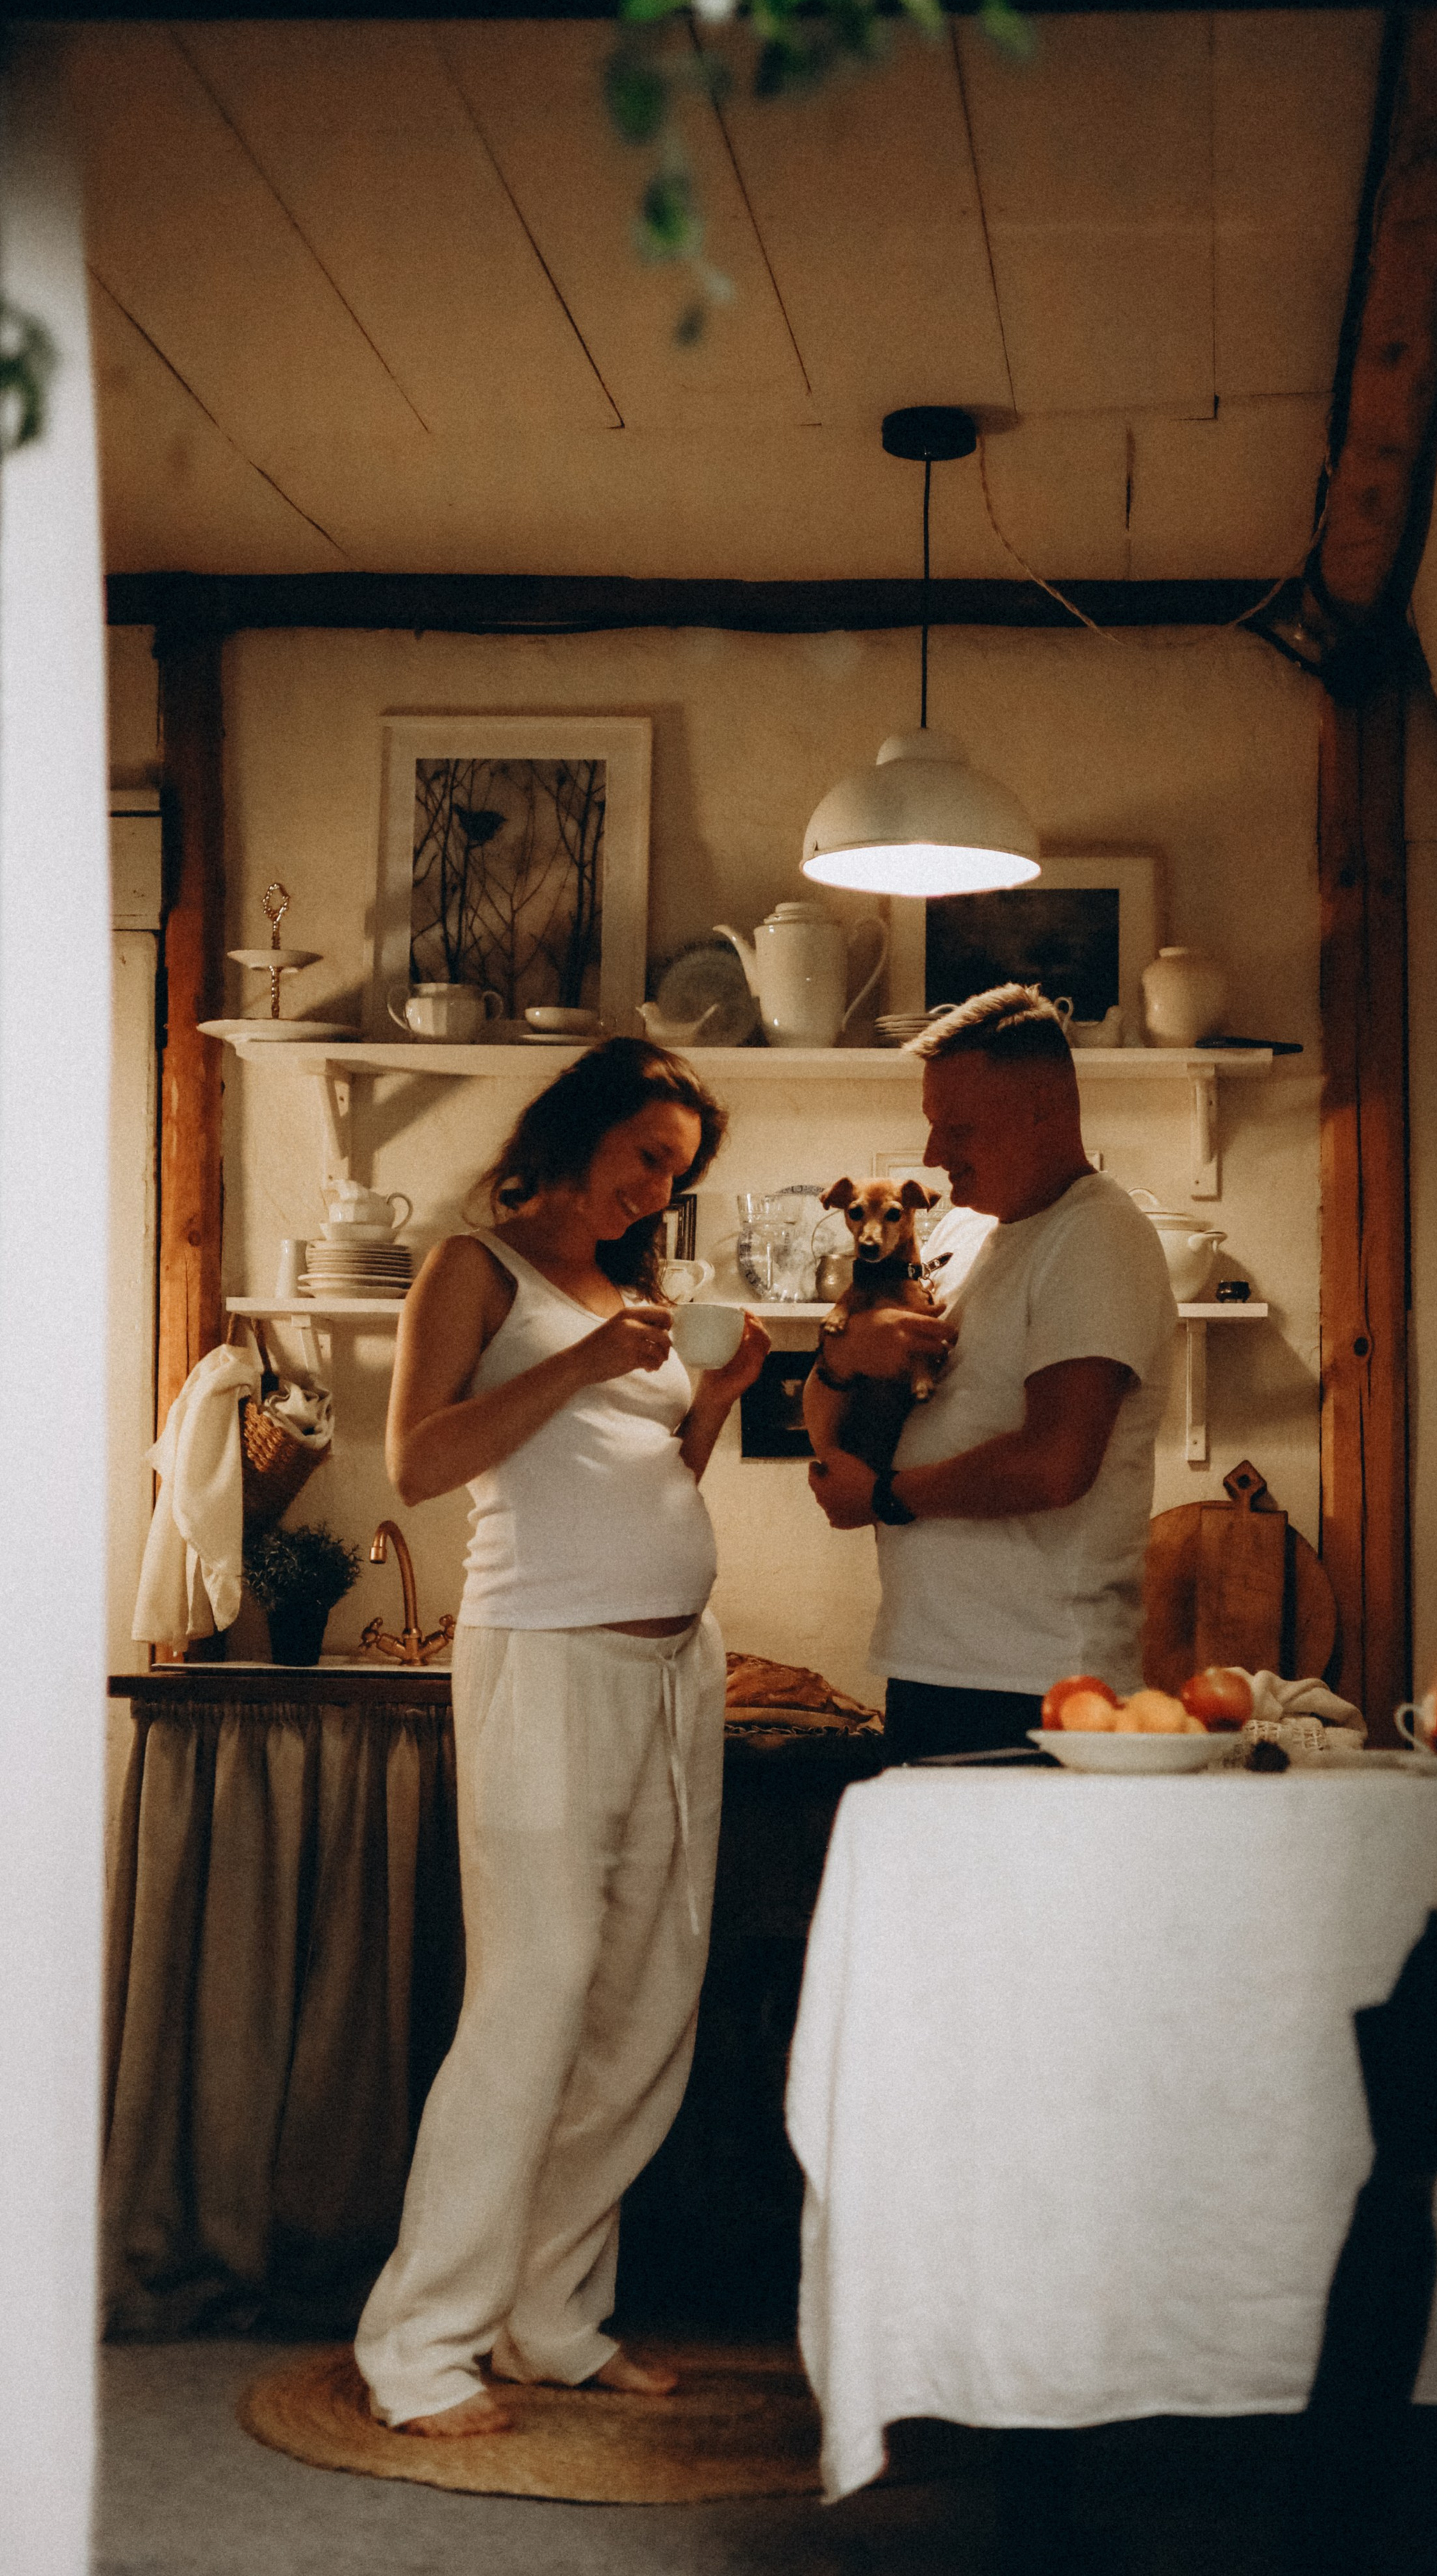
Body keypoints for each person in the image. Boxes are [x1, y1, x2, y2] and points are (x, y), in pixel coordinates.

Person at [354, 1038, 767, 2436]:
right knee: (536, 1994)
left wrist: (703, 1406)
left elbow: (640, 1474)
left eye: (676, 1176)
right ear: (580, 1130)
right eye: (646, 1157)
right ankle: (420, 2343)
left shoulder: (628, 1295)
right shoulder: (478, 1267)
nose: (656, 1191)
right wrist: (591, 1357)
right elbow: (419, 1462)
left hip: (671, 1673)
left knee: (645, 2000)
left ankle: (547, 2313)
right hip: (544, 1663)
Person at [803, 984, 1177, 1765]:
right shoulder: (965, 1230)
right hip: (938, 1663)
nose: (935, 1154)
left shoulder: (1097, 1238)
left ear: (1044, 1108)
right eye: (933, 1123)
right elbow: (840, 1405)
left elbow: (1053, 1465)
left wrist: (882, 1497)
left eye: (959, 1126)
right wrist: (839, 1360)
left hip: (1033, 1681)